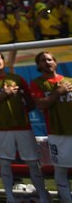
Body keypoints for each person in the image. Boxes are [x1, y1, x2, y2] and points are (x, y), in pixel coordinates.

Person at [0, 51, 49, 203]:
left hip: (23, 127)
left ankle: (42, 196)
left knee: (32, 163)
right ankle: (10, 198)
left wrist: (19, 104)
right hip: (1, 128)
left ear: (3, 61)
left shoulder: (17, 79)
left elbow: (30, 104)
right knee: (5, 163)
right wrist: (4, 94)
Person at [29, 51, 72, 202]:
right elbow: (41, 104)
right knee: (60, 170)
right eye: (42, 60)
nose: (47, 62)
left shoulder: (69, 80)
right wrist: (59, 91)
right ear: (38, 65)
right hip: (56, 132)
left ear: (55, 62)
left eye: (49, 59)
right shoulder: (37, 83)